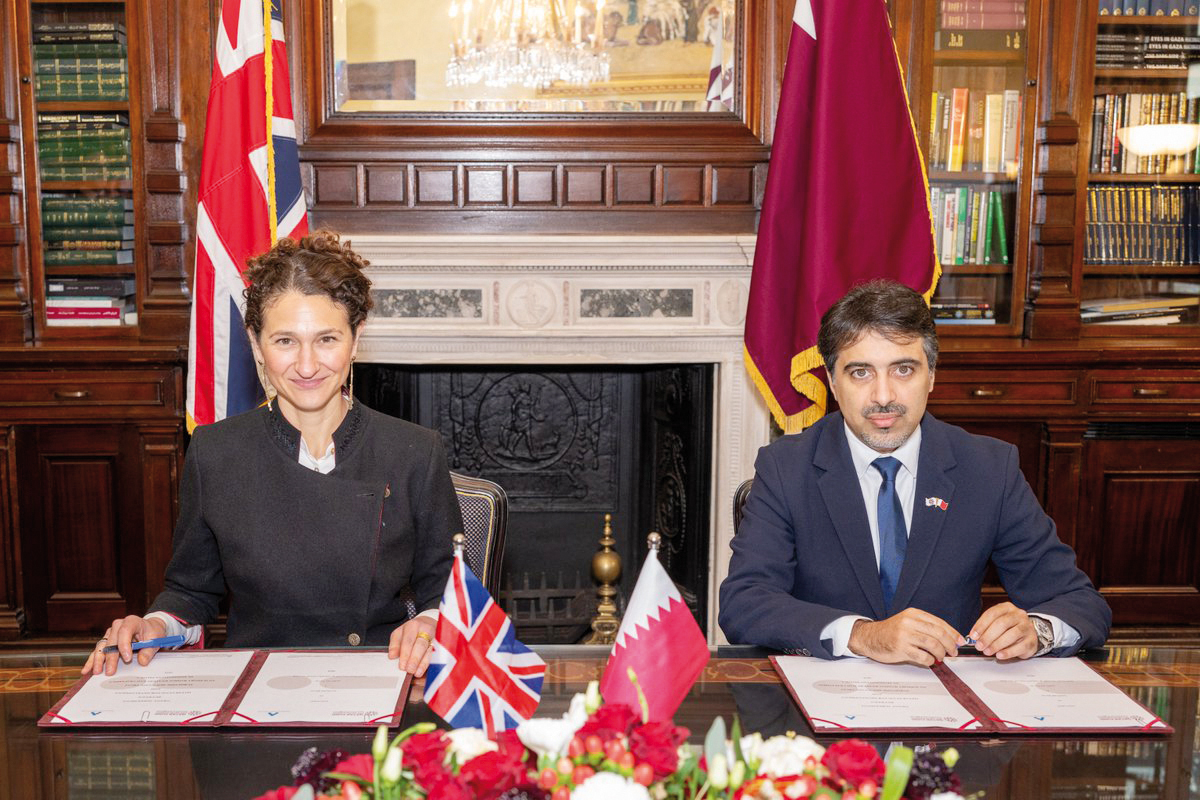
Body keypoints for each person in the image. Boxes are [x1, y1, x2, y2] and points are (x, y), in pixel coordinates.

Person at [83, 231, 462, 677]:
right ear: (255, 343)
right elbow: (191, 592)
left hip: (377, 680)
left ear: (355, 339)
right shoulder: (215, 453)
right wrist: (154, 624)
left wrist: (428, 622)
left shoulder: (415, 451)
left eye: (327, 339)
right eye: (284, 341)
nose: (306, 366)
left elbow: (450, 592)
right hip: (257, 689)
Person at [719, 280, 1110, 664]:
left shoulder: (989, 468)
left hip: (948, 709)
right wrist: (862, 635)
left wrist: (1037, 630)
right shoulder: (786, 468)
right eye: (860, 373)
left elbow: (1082, 604)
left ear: (932, 375)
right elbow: (744, 603)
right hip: (824, 707)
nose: (884, 396)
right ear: (833, 383)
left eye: (903, 370)